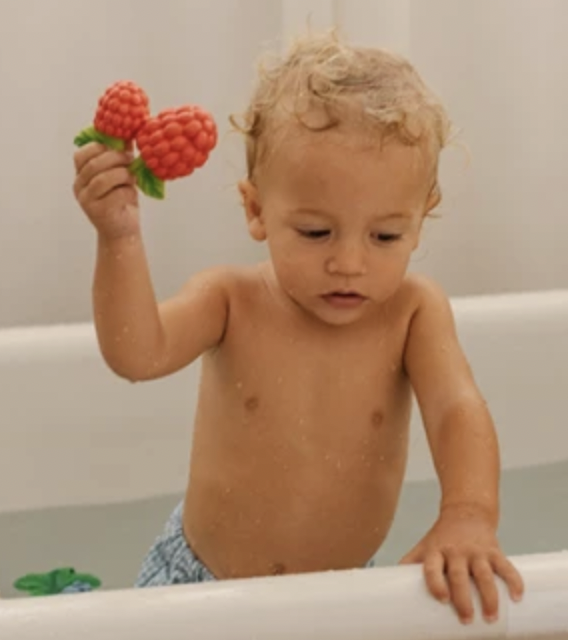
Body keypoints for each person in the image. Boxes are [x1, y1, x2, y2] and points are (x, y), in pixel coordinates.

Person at [72, 28, 524, 625]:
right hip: (200, 587)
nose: (349, 262)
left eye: (386, 235)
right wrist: (119, 237)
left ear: (421, 220)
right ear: (256, 209)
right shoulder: (229, 300)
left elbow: (455, 411)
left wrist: (468, 513)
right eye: (315, 232)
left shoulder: (414, 312)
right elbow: (136, 354)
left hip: (338, 597)